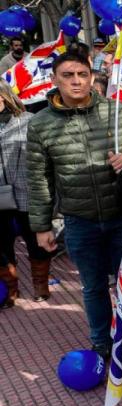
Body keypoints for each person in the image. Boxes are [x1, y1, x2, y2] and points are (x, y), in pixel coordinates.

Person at [27, 43, 122, 359]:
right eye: (68, 75)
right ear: (55, 79)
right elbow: (38, 178)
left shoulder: (119, 113)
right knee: (93, 288)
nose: (76, 80)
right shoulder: (40, 124)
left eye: (82, 74)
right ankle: (102, 343)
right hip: (80, 220)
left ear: (92, 77)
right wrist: (41, 226)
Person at [0, 79, 49, 307]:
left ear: (3, 96)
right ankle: (10, 288)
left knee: (34, 239)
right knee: (1, 243)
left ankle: (40, 285)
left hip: (26, 190)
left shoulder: (29, 121)